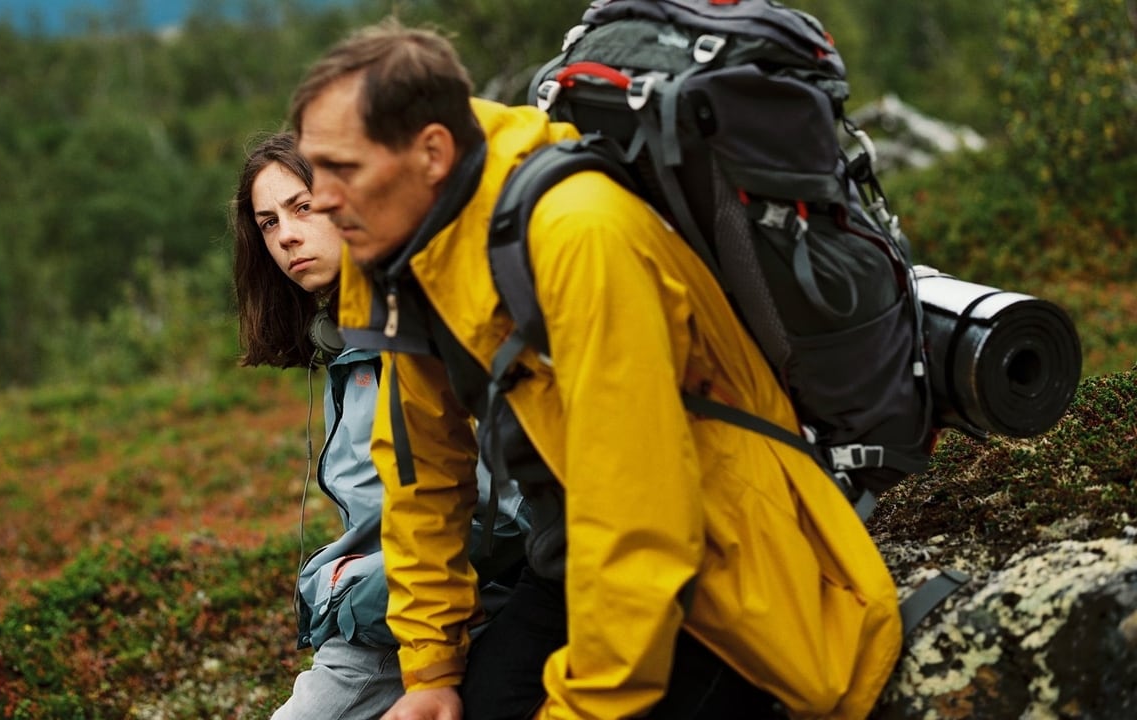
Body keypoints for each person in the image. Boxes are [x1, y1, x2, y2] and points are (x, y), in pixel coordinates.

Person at [289, 18, 904, 720]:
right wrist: (431, 667)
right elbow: (421, 473)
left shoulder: (579, 235)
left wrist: (582, 708)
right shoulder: (399, 246)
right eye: (316, 168)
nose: (323, 198)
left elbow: (644, 515)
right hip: (572, 557)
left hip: (716, 572)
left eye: (343, 168)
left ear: (432, 151)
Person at [229, 130, 525, 720]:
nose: (286, 236)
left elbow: (502, 518)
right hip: (394, 620)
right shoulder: (349, 345)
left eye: (303, 208)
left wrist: (348, 592)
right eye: (268, 223)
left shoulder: (422, 332)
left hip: (423, 624)